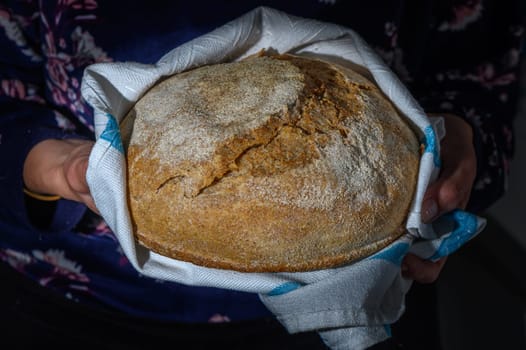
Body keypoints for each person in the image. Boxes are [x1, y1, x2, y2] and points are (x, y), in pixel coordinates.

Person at [0, 1, 522, 348]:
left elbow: (478, 60)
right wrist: (47, 162)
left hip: (359, 299)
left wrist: (461, 135)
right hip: (76, 304)